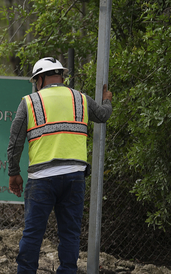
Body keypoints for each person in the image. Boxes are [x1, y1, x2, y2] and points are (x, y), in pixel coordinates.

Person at [7, 57, 113, 274]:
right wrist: (107, 100)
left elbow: (15, 141)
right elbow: (102, 115)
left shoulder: (30, 101)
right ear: (61, 76)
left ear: (39, 79)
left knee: (33, 234)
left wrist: (14, 173)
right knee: (70, 234)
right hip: (74, 177)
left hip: (42, 180)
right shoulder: (81, 98)